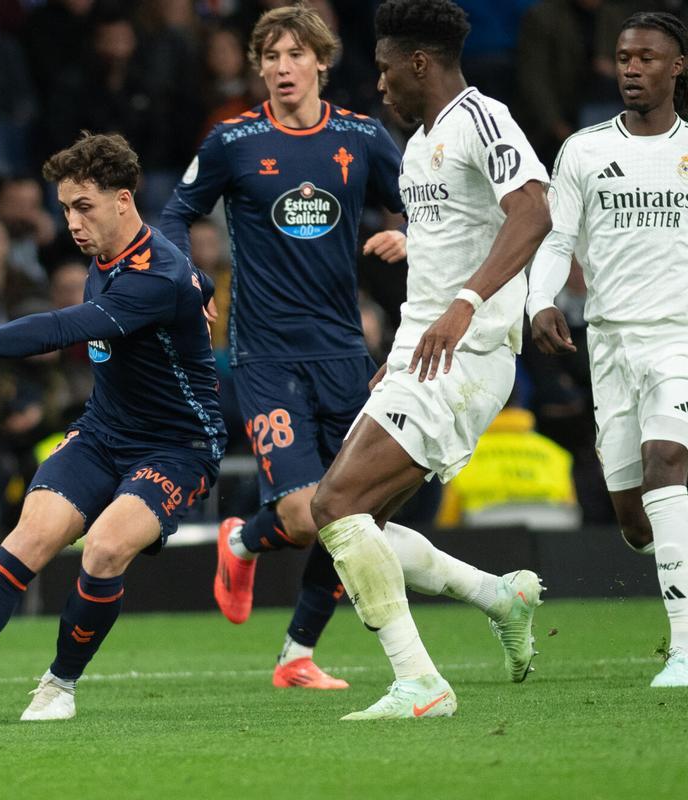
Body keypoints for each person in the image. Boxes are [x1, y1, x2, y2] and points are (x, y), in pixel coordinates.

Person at [0, 132, 225, 725]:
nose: (71, 221)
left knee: (106, 549)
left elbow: (65, 327)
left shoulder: (157, 275)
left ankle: (59, 685)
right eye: (64, 207)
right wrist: (204, 290)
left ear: (123, 199)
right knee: (28, 540)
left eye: (83, 206)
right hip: (103, 432)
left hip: (178, 446)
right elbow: (191, 280)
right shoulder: (122, 257)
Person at [308, 0, 552, 720]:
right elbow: (452, 248)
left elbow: (533, 211)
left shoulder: (485, 118)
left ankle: (423, 684)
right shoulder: (418, 144)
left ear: (420, 62)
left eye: (385, 70)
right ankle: (497, 596)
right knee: (357, 524)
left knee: (334, 504)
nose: (379, 84)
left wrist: (467, 304)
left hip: (469, 354)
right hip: (424, 352)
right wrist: (402, 348)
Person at [161, 5, 407, 689]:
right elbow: (175, 214)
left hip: (342, 352)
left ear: (321, 62)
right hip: (266, 356)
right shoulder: (232, 141)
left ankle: (297, 654)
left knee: (351, 510)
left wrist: (410, 235)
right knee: (305, 517)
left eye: (295, 54)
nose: (281, 68)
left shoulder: (361, 137)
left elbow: (425, 202)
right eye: (269, 56)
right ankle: (242, 540)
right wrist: (190, 277)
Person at [527, 12, 688, 688]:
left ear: (677, 67)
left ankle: (683, 647)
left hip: (678, 337)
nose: (631, 68)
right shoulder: (584, 151)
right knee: (634, 519)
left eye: (647, 58)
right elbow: (556, 239)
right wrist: (540, 299)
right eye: (624, 57)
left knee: (666, 465)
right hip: (611, 342)